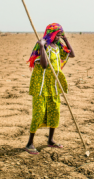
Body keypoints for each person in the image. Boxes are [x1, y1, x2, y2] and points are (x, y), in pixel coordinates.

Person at [25, 23, 75, 155]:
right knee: (39, 113)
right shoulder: (42, 45)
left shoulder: (58, 46)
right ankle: (30, 143)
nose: (59, 36)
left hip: (53, 84)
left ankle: (51, 140)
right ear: (52, 33)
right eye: (58, 34)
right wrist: (42, 46)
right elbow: (44, 65)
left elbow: (72, 54)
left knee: (55, 111)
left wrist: (66, 39)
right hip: (41, 85)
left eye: (61, 34)